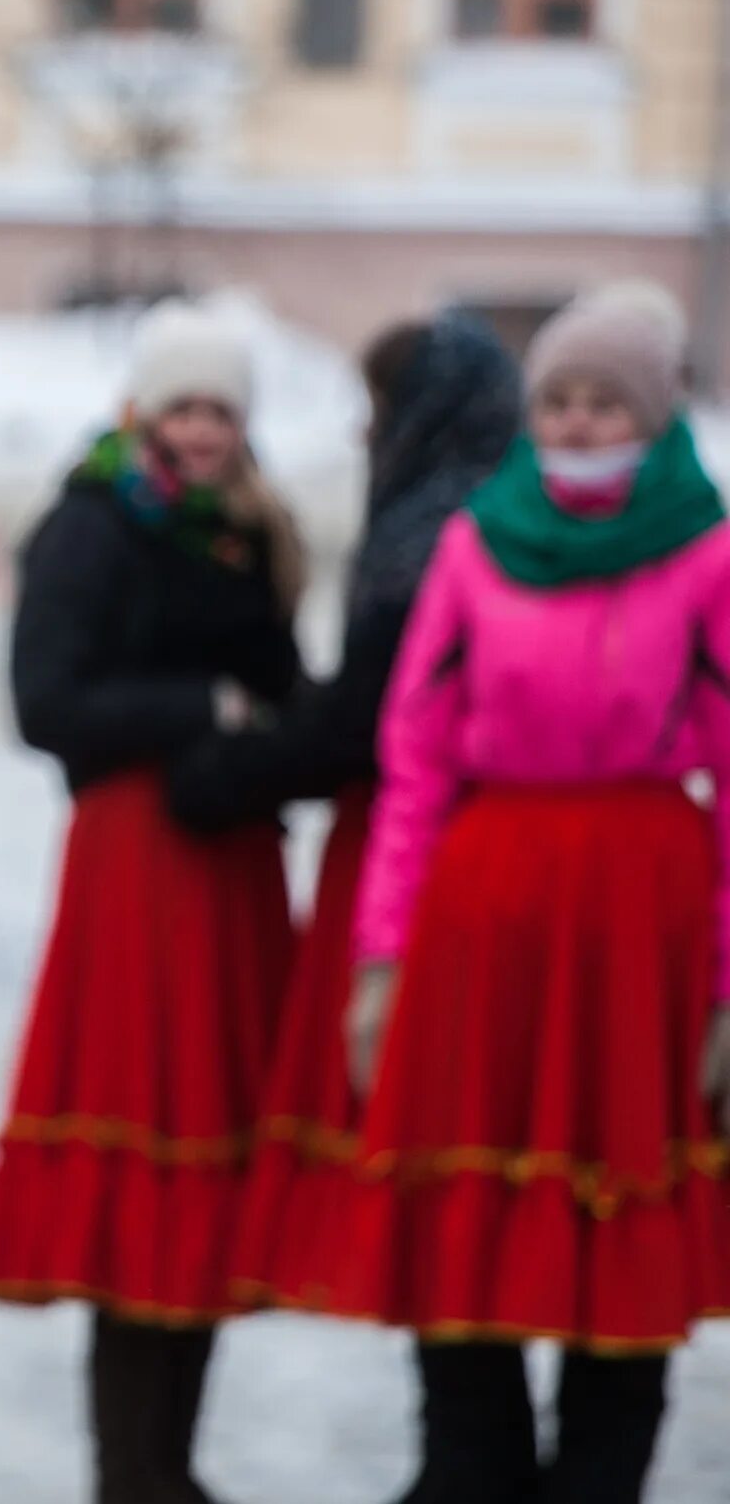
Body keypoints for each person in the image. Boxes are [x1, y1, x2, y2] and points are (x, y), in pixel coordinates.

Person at [283, 282, 730, 1503]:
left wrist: (725, 989)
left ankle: (599, 1474)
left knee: (615, 1225)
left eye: (604, 403)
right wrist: (380, 962)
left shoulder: (707, 550)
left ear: (655, 411)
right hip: (486, 910)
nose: (581, 424)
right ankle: (464, 1471)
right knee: (465, 1203)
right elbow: (414, 761)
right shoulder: (477, 543)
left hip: (643, 912)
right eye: (561, 402)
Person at [0, 300, 305, 1504]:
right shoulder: (89, 523)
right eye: (185, 407)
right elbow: (44, 702)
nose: (203, 431)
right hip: (134, 862)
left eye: (222, 410)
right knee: (139, 1158)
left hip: (230, 868)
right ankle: (133, 1471)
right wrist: (201, 707)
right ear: (143, 413)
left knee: (204, 1159)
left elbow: (283, 683)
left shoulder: (250, 530)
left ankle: (175, 1463)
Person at [165, 314, 519, 1322]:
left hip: (424, 861)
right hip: (466, 849)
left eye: (381, 408)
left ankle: (466, 1458)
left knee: (437, 1141)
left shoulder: (435, 534)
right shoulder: (508, 513)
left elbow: (366, 715)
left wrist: (222, 772)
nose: (368, 434)